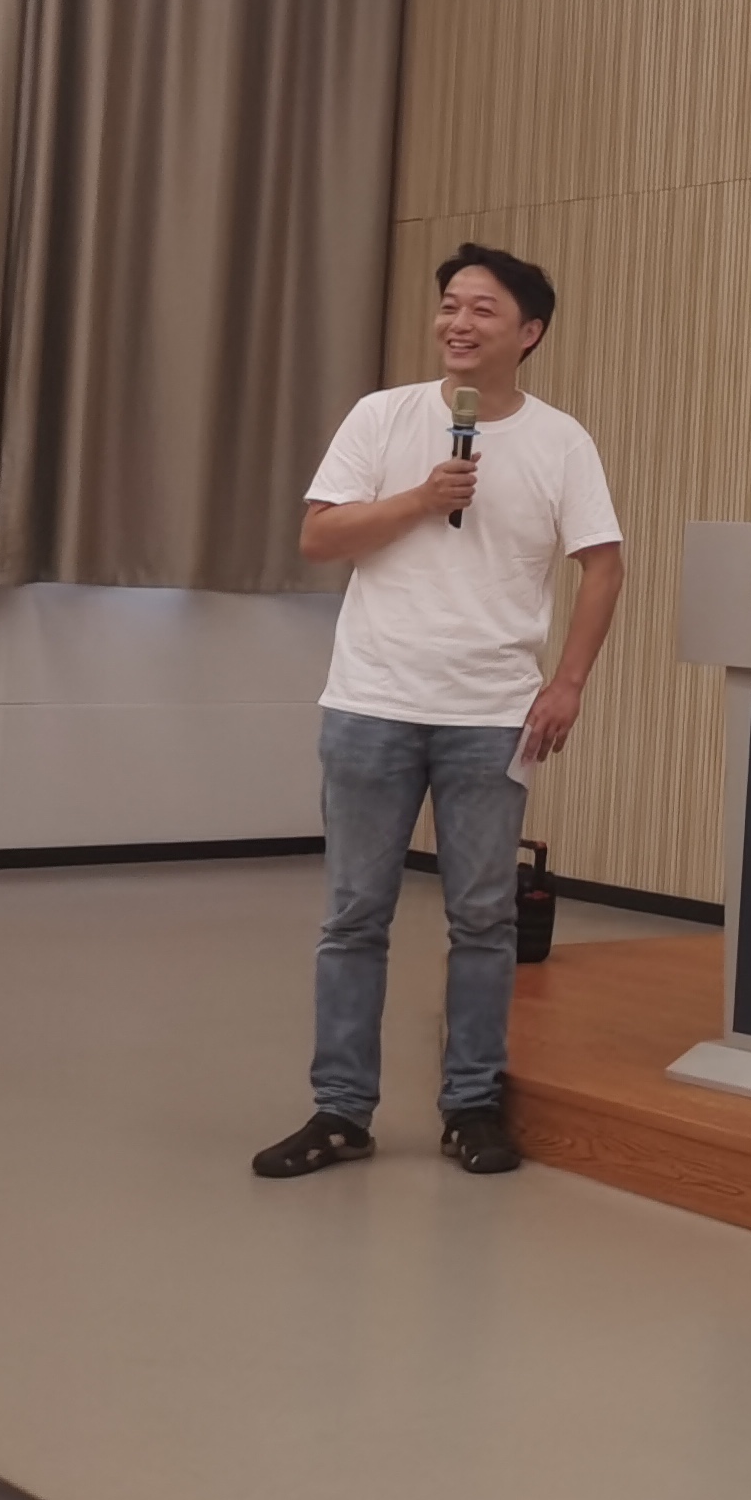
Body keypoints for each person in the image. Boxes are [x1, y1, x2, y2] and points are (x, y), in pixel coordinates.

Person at [253, 246, 624, 1180]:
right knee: (354, 916)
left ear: (529, 333)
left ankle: (471, 1106)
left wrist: (568, 682)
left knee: (485, 920)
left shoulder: (561, 441)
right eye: (451, 305)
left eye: (483, 310)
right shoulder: (382, 416)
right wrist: (421, 498)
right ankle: (341, 1110)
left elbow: (603, 566)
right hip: (371, 702)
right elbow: (319, 535)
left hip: (493, 713)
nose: (459, 323)